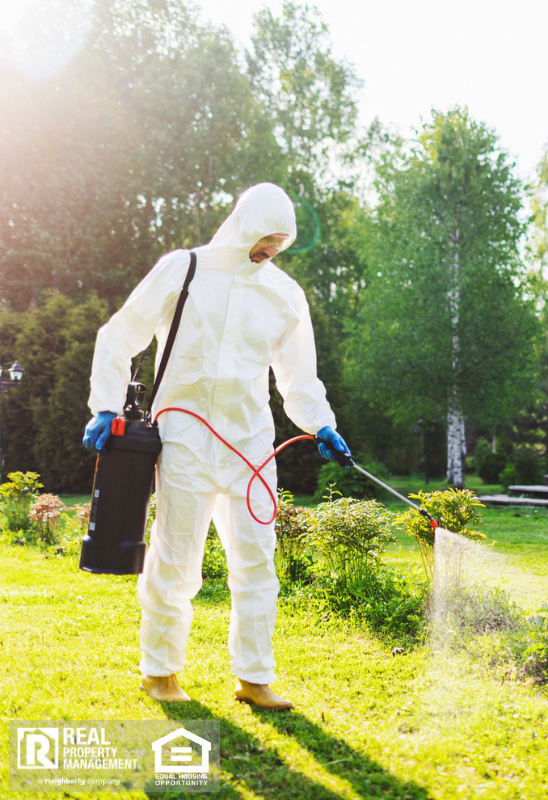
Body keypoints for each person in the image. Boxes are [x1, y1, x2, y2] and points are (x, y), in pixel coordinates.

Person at [82, 183, 349, 710]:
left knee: (257, 565)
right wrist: (106, 406)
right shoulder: (184, 269)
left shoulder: (284, 294)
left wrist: (321, 424)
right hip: (184, 441)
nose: (270, 250)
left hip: (251, 447)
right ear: (242, 224)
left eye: (280, 242)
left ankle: (254, 678)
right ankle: (159, 672)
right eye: (265, 238)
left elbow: (298, 379)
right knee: (176, 561)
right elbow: (119, 336)